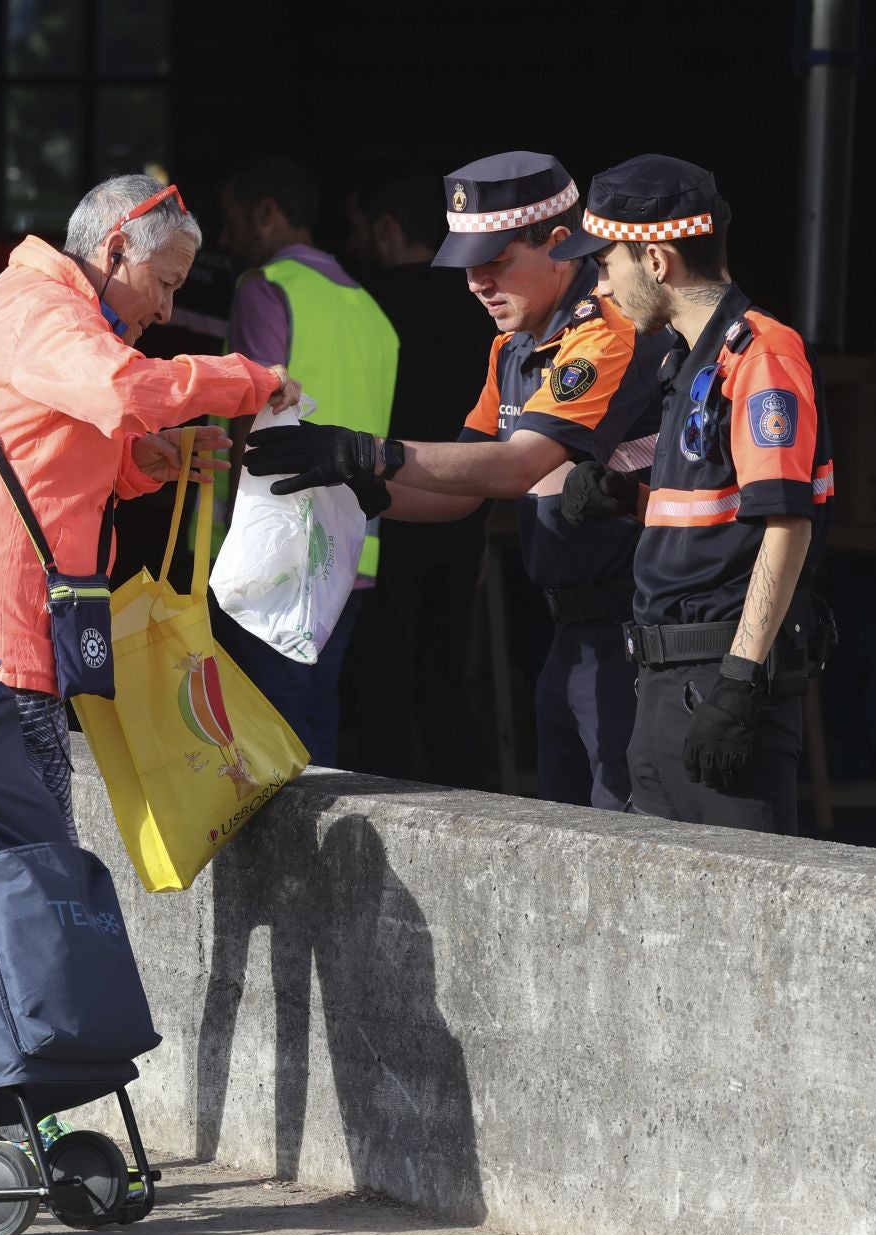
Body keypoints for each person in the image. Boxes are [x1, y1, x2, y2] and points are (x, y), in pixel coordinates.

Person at [244, 153, 670, 810]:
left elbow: (518, 465)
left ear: (559, 244)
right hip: (570, 637)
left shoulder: (608, 329)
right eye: (467, 263)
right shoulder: (513, 345)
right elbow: (460, 491)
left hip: (634, 637)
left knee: (634, 851)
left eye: (493, 261)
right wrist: (348, 491)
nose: (475, 282)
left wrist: (366, 455)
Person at [0, 175, 299, 839]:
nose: (166, 311)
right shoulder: (45, 312)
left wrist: (140, 462)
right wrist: (248, 381)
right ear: (114, 250)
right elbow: (119, 390)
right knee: (36, 879)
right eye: (165, 283)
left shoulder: (33, 309)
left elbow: (43, 454)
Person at [555, 156, 834, 835]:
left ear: (655, 260)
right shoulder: (691, 360)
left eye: (604, 263)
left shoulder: (760, 355)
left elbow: (785, 524)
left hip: (720, 684)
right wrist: (630, 498)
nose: (598, 285)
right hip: (664, 683)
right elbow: (724, 512)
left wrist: (738, 683)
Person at [212, 156, 399, 767]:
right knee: (317, 722)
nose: (225, 238)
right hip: (350, 551)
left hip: (278, 552)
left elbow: (251, 411)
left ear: (267, 214)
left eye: (233, 220)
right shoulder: (370, 311)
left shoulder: (265, 288)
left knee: (272, 740)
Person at [339, 173, 497, 788]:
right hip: (466, 504)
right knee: (446, 674)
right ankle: (467, 807)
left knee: (383, 677)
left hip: (389, 506)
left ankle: (393, 809)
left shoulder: (367, 303)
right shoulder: (480, 302)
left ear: (384, 229)